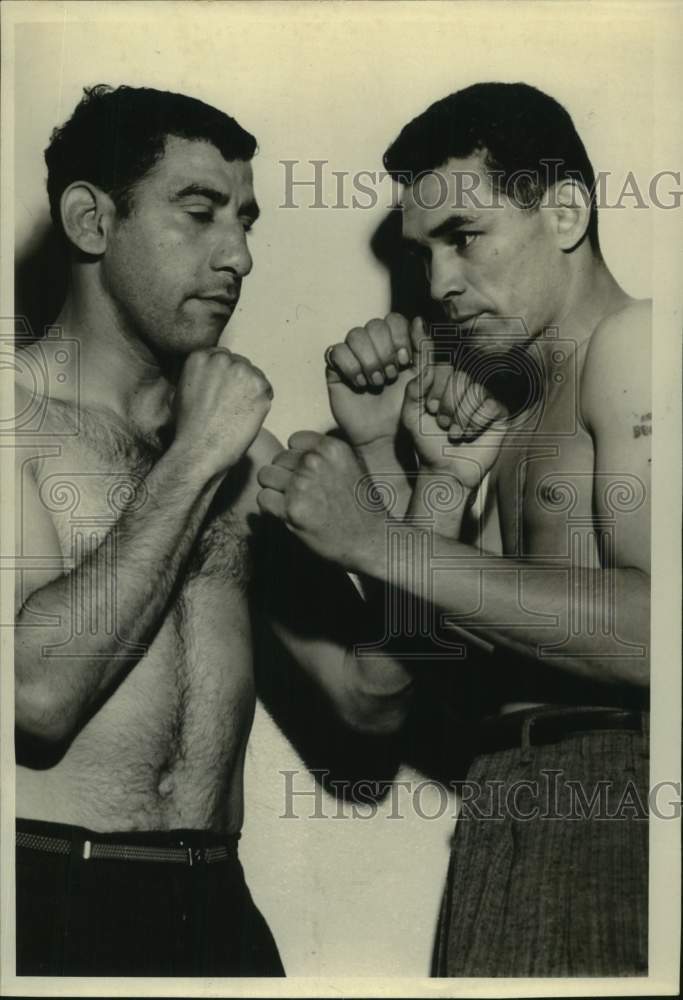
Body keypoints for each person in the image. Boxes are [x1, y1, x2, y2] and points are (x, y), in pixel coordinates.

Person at [12, 84, 414, 977]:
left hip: (216, 904)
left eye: (246, 220)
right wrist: (196, 456)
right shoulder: (15, 419)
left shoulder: (245, 445)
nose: (237, 254)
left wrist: (387, 464)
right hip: (49, 892)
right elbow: (32, 700)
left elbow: (370, 701)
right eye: (198, 213)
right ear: (89, 220)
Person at [257, 82, 651, 976]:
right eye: (421, 252)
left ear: (564, 211)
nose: (436, 285)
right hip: (505, 801)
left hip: (617, 799)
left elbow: (658, 633)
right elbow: (423, 681)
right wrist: (406, 472)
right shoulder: (515, 407)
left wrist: (371, 538)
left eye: (463, 237)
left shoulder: (637, 347)